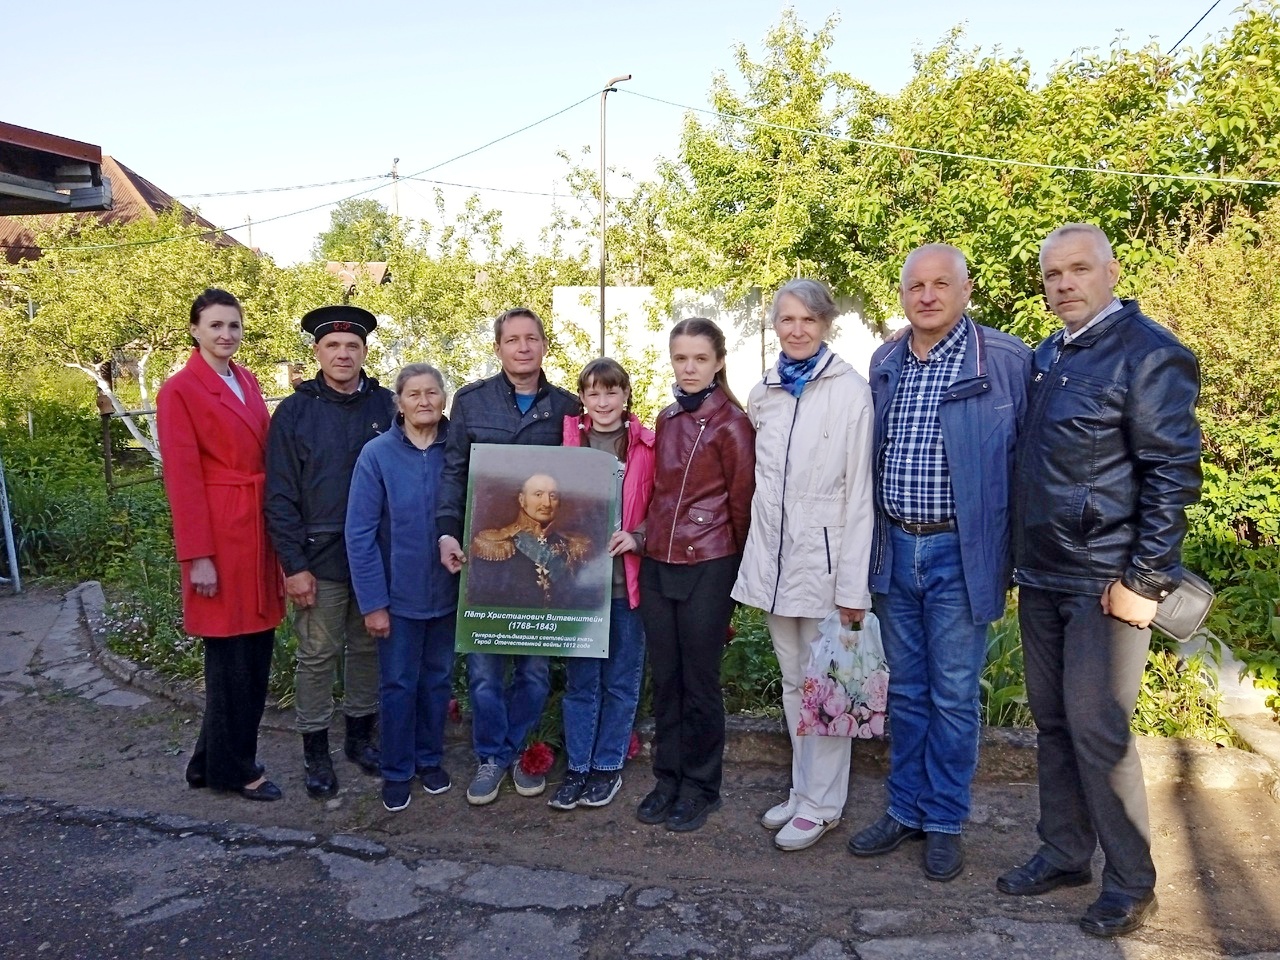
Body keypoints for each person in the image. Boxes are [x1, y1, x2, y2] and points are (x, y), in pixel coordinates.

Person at [998, 224, 1201, 937]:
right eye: (1052, 274)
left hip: (1106, 582)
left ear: (1110, 272)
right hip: (1045, 574)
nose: (1063, 284)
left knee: (1099, 732)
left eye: (1078, 270)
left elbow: (1172, 476)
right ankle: (1063, 852)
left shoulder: (1149, 354)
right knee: (1053, 725)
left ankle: (1131, 881)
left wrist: (1146, 579)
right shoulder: (1051, 353)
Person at [848, 244, 1030, 881]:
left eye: (940, 284)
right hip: (896, 546)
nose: (927, 296)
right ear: (903, 293)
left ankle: (945, 819)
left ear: (966, 289)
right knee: (909, 691)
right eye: (915, 285)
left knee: (954, 695)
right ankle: (905, 809)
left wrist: (1014, 563)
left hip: (962, 552)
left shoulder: (1005, 362)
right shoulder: (885, 361)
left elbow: (1024, 470)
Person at [731, 279, 875, 852]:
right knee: (795, 683)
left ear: (825, 325)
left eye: (807, 321)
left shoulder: (849, 392)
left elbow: (859, 494)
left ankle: (823, 805)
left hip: (827, 562)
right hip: (774, 560)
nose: (796, 330)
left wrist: (853, 585)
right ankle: (802, 789)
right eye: (786, 320)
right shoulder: (763, 391)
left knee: (829, 687)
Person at [436, 307, 581, 805]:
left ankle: (521, 749)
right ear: (497, 348)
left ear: (545, 346)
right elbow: (454, 474)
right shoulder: (472, 403)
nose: (523, 347)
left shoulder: (567, 407)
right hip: (488, 562)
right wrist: (446, 534)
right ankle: (490, 756)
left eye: (532, 339)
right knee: (482, 670)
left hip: (542, 568)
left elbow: (581, 480)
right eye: (512, 340)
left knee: (536, 671)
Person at [156, 288, 286, 802]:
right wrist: (198, 556)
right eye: (215, 326)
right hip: (220, 536)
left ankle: (206, 762)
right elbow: (183, 480)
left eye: (233, 325)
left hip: (255, 530)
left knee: (253, 651)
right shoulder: (180, 390)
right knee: (232, 660)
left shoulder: (246, 379)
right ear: (195, 330)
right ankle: (237, 769)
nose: (226, 334)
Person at [265, 305, 396, 799]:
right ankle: (315, 751)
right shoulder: (295, 412)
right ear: (317, 352)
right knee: (318, 655)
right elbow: (279, 494)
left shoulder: (387, 406)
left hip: (375, 557)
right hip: (318, 557)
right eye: (333, 347)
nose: (343, 354)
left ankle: (360, 740)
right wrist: (292, 565)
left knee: (367, 649)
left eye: (352, 346)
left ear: (364, 351)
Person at [636, 317, 755, 833]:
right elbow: (660, 493)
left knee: (700, 681)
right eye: (681, 357)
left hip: (710, 561)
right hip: (660, 561)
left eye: (699, 359)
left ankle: (701, 786)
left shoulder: (732, 423)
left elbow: (743, 502)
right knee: (666, 678)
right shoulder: (666, 417)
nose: (689, 368)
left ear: (719, 362)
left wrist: (742, 572)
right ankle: (668, 777)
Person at [345, 364, 460, 813]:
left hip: (448, 595)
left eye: (433, 392)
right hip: (398, 599)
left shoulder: (458, 452)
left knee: (437, 682)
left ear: (444, 398)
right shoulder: (377, 455)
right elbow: (360, 534)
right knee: (397, 684)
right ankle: (396, 770)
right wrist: (374, 603)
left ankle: (430, 760)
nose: (424, 401)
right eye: (414, 394)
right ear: (399, 402)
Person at [549, 358, 657, 811]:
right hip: (579, 588)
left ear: (626, 395)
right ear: (583, 400)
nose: (604, 400)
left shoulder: (648, 446)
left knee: (621, 681)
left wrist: (637, 536)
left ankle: (607, 765)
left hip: (625, 586)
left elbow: (663, 506)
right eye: (594, 392)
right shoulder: (565, 442)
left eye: (611, 391)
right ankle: (577, 766)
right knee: (581, 683)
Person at [466, 472, 593, 608]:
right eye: (538, 494)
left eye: (553, 496)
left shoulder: (576, 546)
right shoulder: (494, 544)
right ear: (522, 499)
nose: (547, 503)